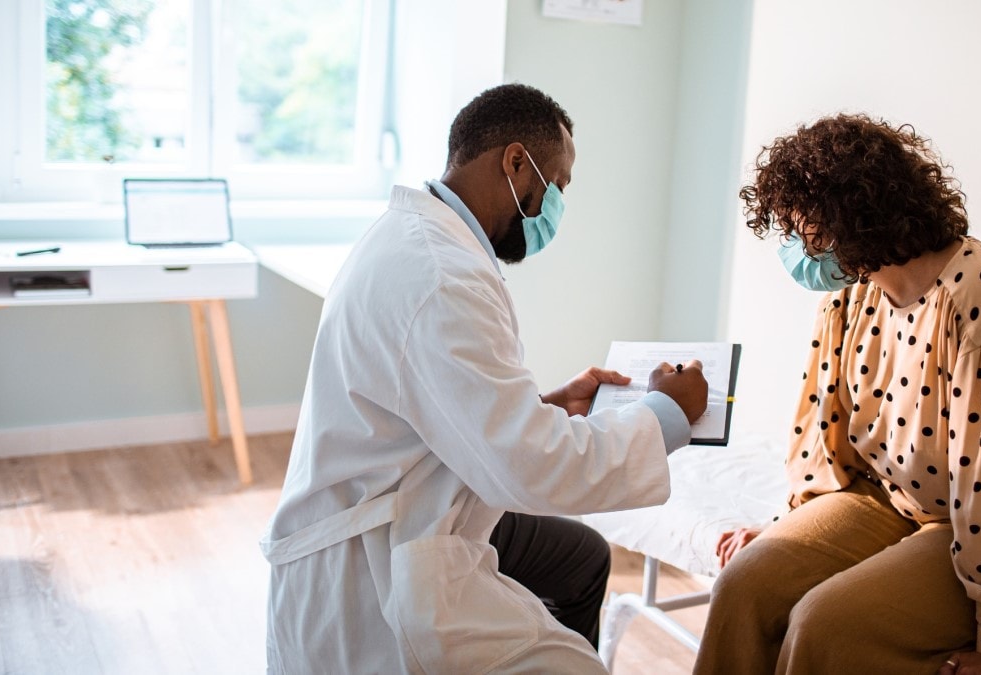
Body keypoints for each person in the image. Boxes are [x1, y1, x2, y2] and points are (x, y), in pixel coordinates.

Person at [260, 83, 709, 674]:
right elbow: (532, 467)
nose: (557, 210)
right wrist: (666, 413)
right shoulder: (443, 277)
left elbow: (437, 398)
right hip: (380, 554)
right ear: (516, 163)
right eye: (559, 186)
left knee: (580, 559)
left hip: (421, 494)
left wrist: (545, 403)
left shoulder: (420, 237)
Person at [694, 114, 981, 675]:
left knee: (826, 621)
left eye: (799, 226)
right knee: (742, 586)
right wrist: (787, 528)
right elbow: (824, 439)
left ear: (853, 215)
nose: (793, 244)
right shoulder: (850, 294)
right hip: (892, 502)